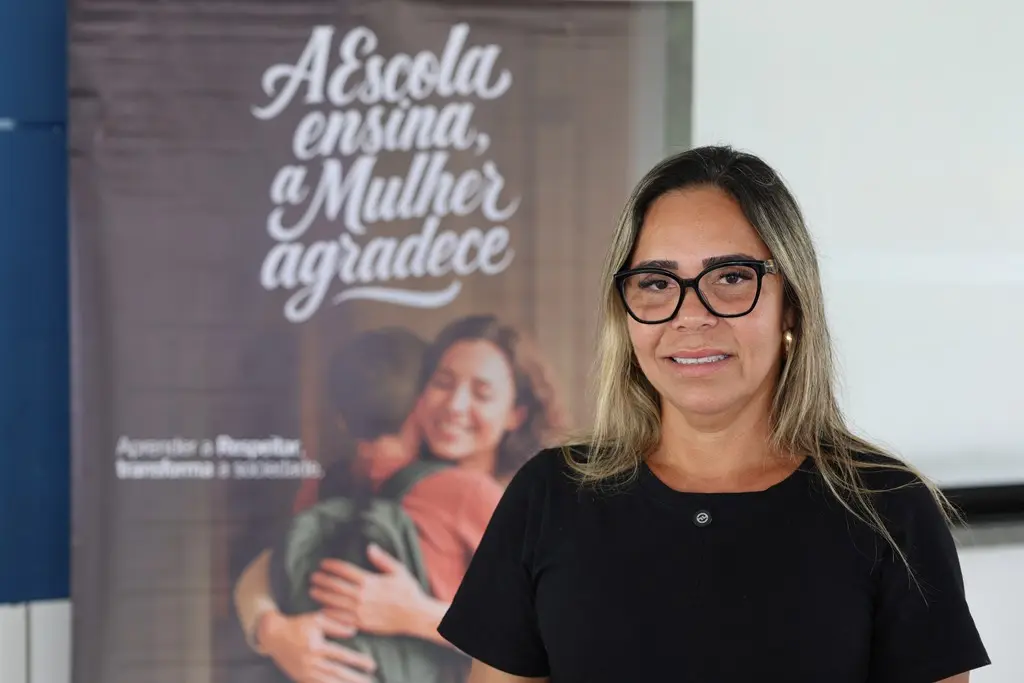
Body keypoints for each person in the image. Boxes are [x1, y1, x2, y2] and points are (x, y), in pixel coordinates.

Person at [436, 146, 992, 683]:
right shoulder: (549, 495)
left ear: (790, 305)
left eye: (730, 277)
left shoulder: (890, 511)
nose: (692, 315)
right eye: (656, 283)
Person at [233, 315, 565, 683]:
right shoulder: (365, 482)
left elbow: (558, 636)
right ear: (418, 394)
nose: (455, 405)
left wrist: (417, 614)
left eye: (482, 393)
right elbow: (263, 571)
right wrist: (274, 632)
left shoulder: (529, 502)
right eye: (442, 382)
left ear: (515, 415)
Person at [265, 326, 504, 683]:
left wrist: (268, 629)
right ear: (421, 405)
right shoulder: (466, 492)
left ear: (341, 420)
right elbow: (533, 630)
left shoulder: (318, 489)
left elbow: (269, 580)